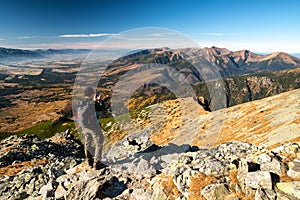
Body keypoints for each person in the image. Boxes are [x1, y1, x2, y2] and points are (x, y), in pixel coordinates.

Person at [81, 86, 106, 170]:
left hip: (84, 127)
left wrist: (98, 101)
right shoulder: (91, 103)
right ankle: (97, 163)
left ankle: (89, 161)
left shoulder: (82, 103)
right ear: (92, 94)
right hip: (93, 126)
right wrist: (98, 101)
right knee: (99, 141)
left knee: (87, 142)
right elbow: (102, 109)